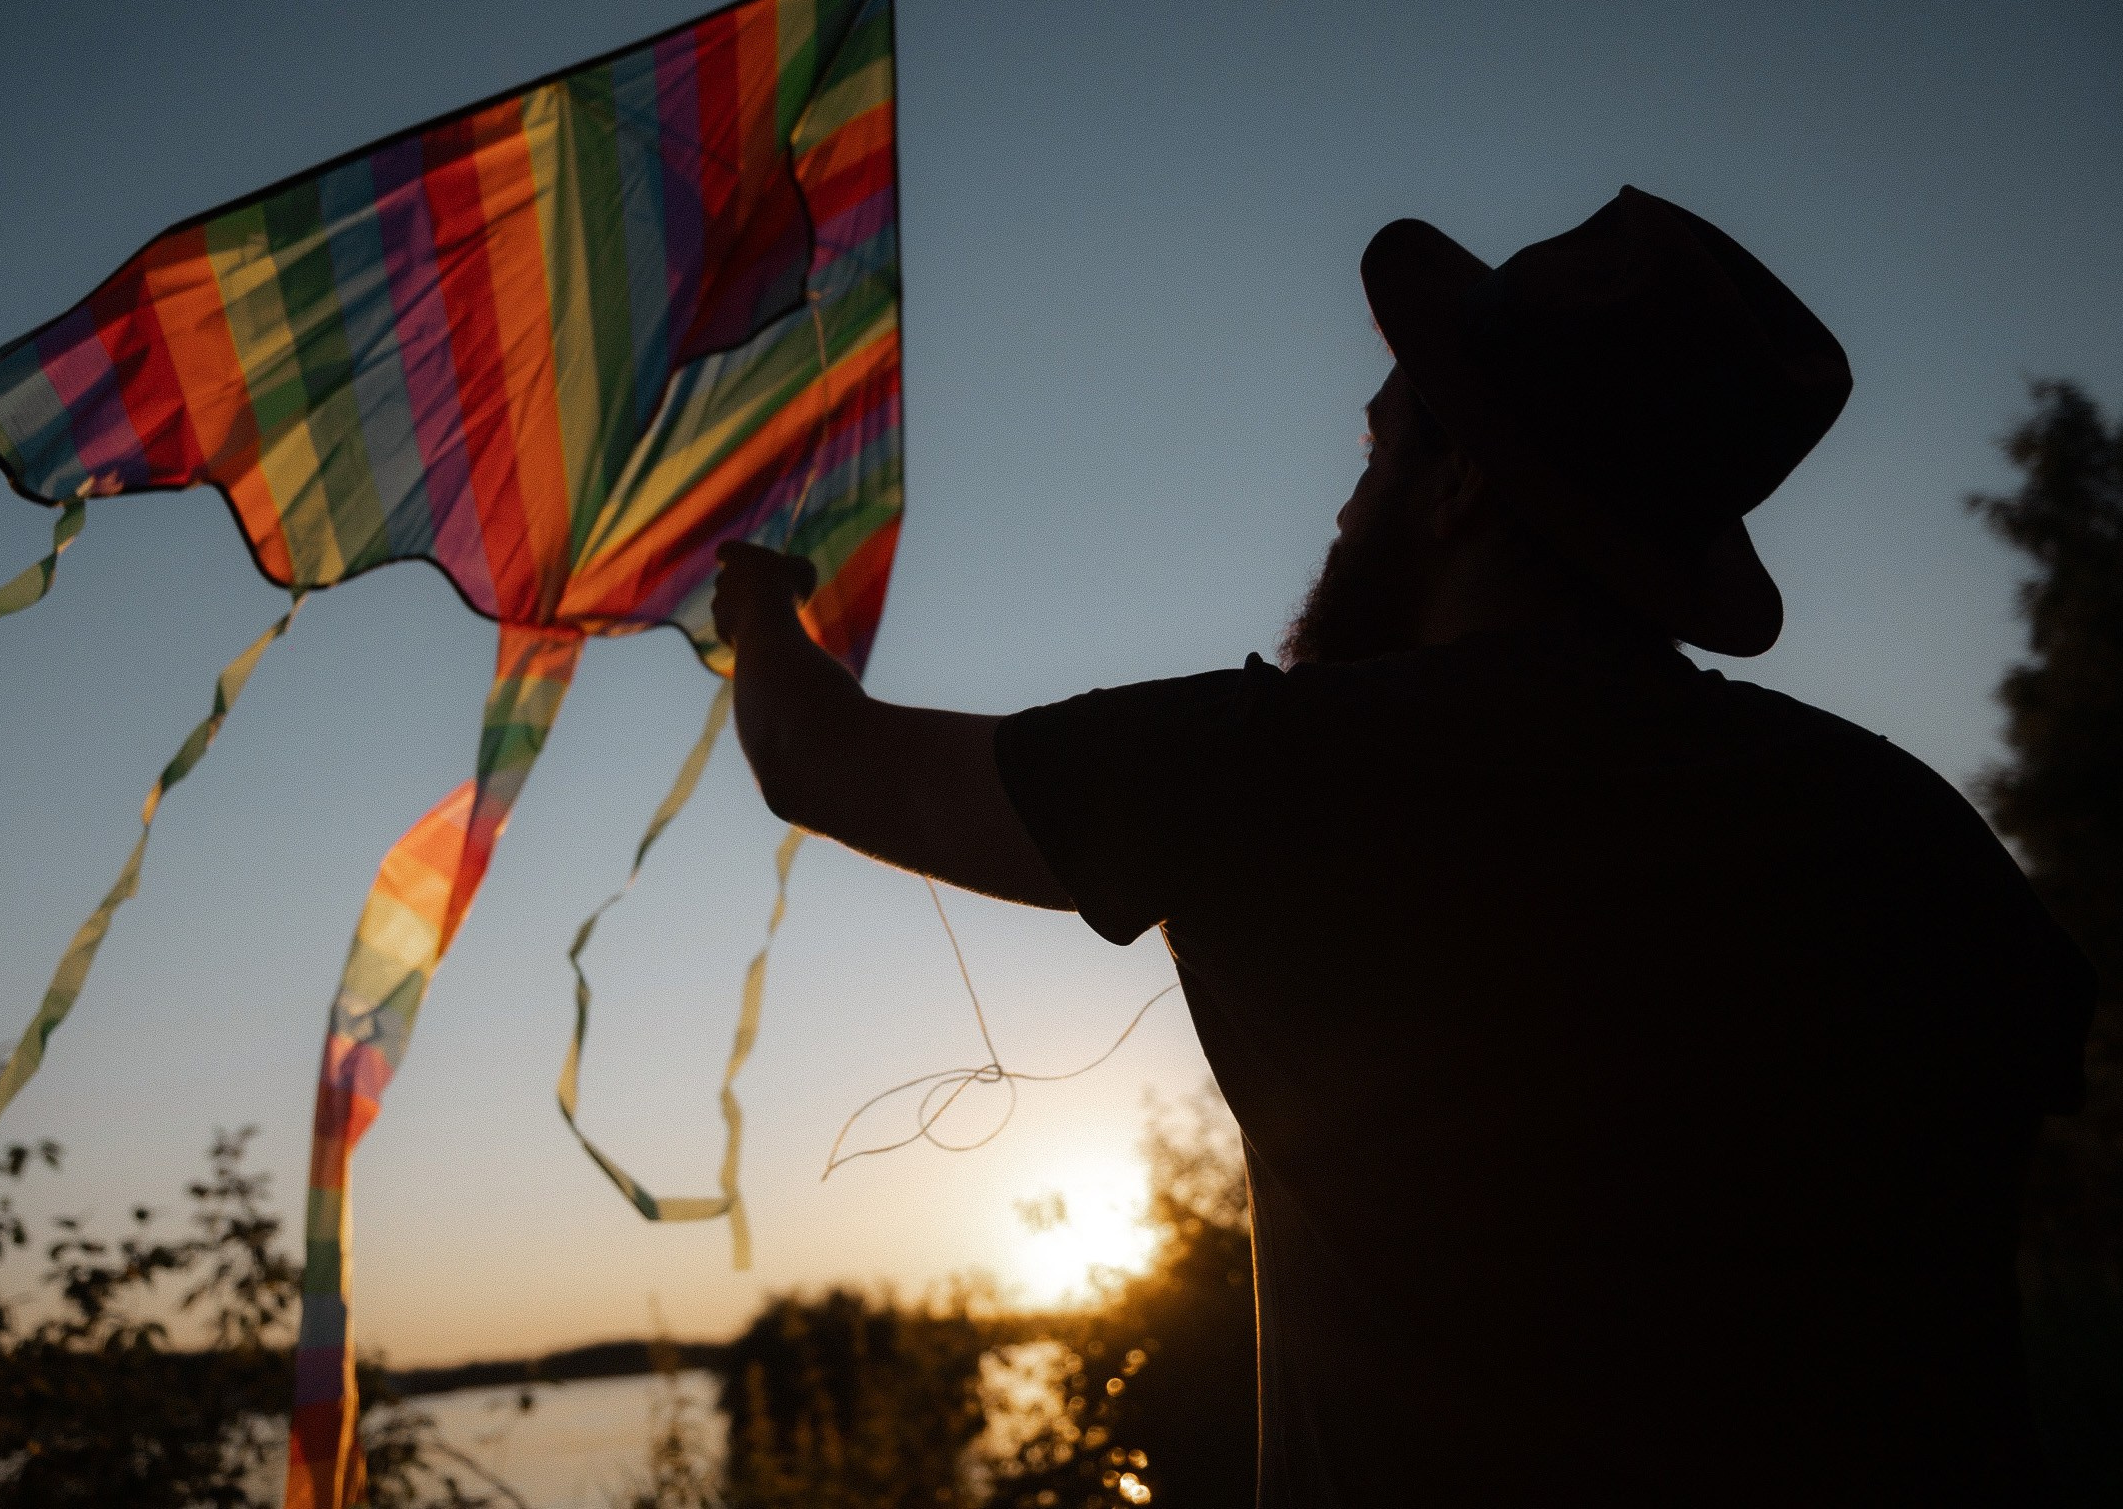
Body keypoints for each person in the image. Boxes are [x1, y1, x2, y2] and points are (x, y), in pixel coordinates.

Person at [710, 188, 2098, 1507]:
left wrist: (759, 604)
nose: (1340, 510)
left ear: (1460, 494)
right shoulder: (1923, 842)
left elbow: (816, 761)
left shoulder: (1292, 769)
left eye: (1376, 453)